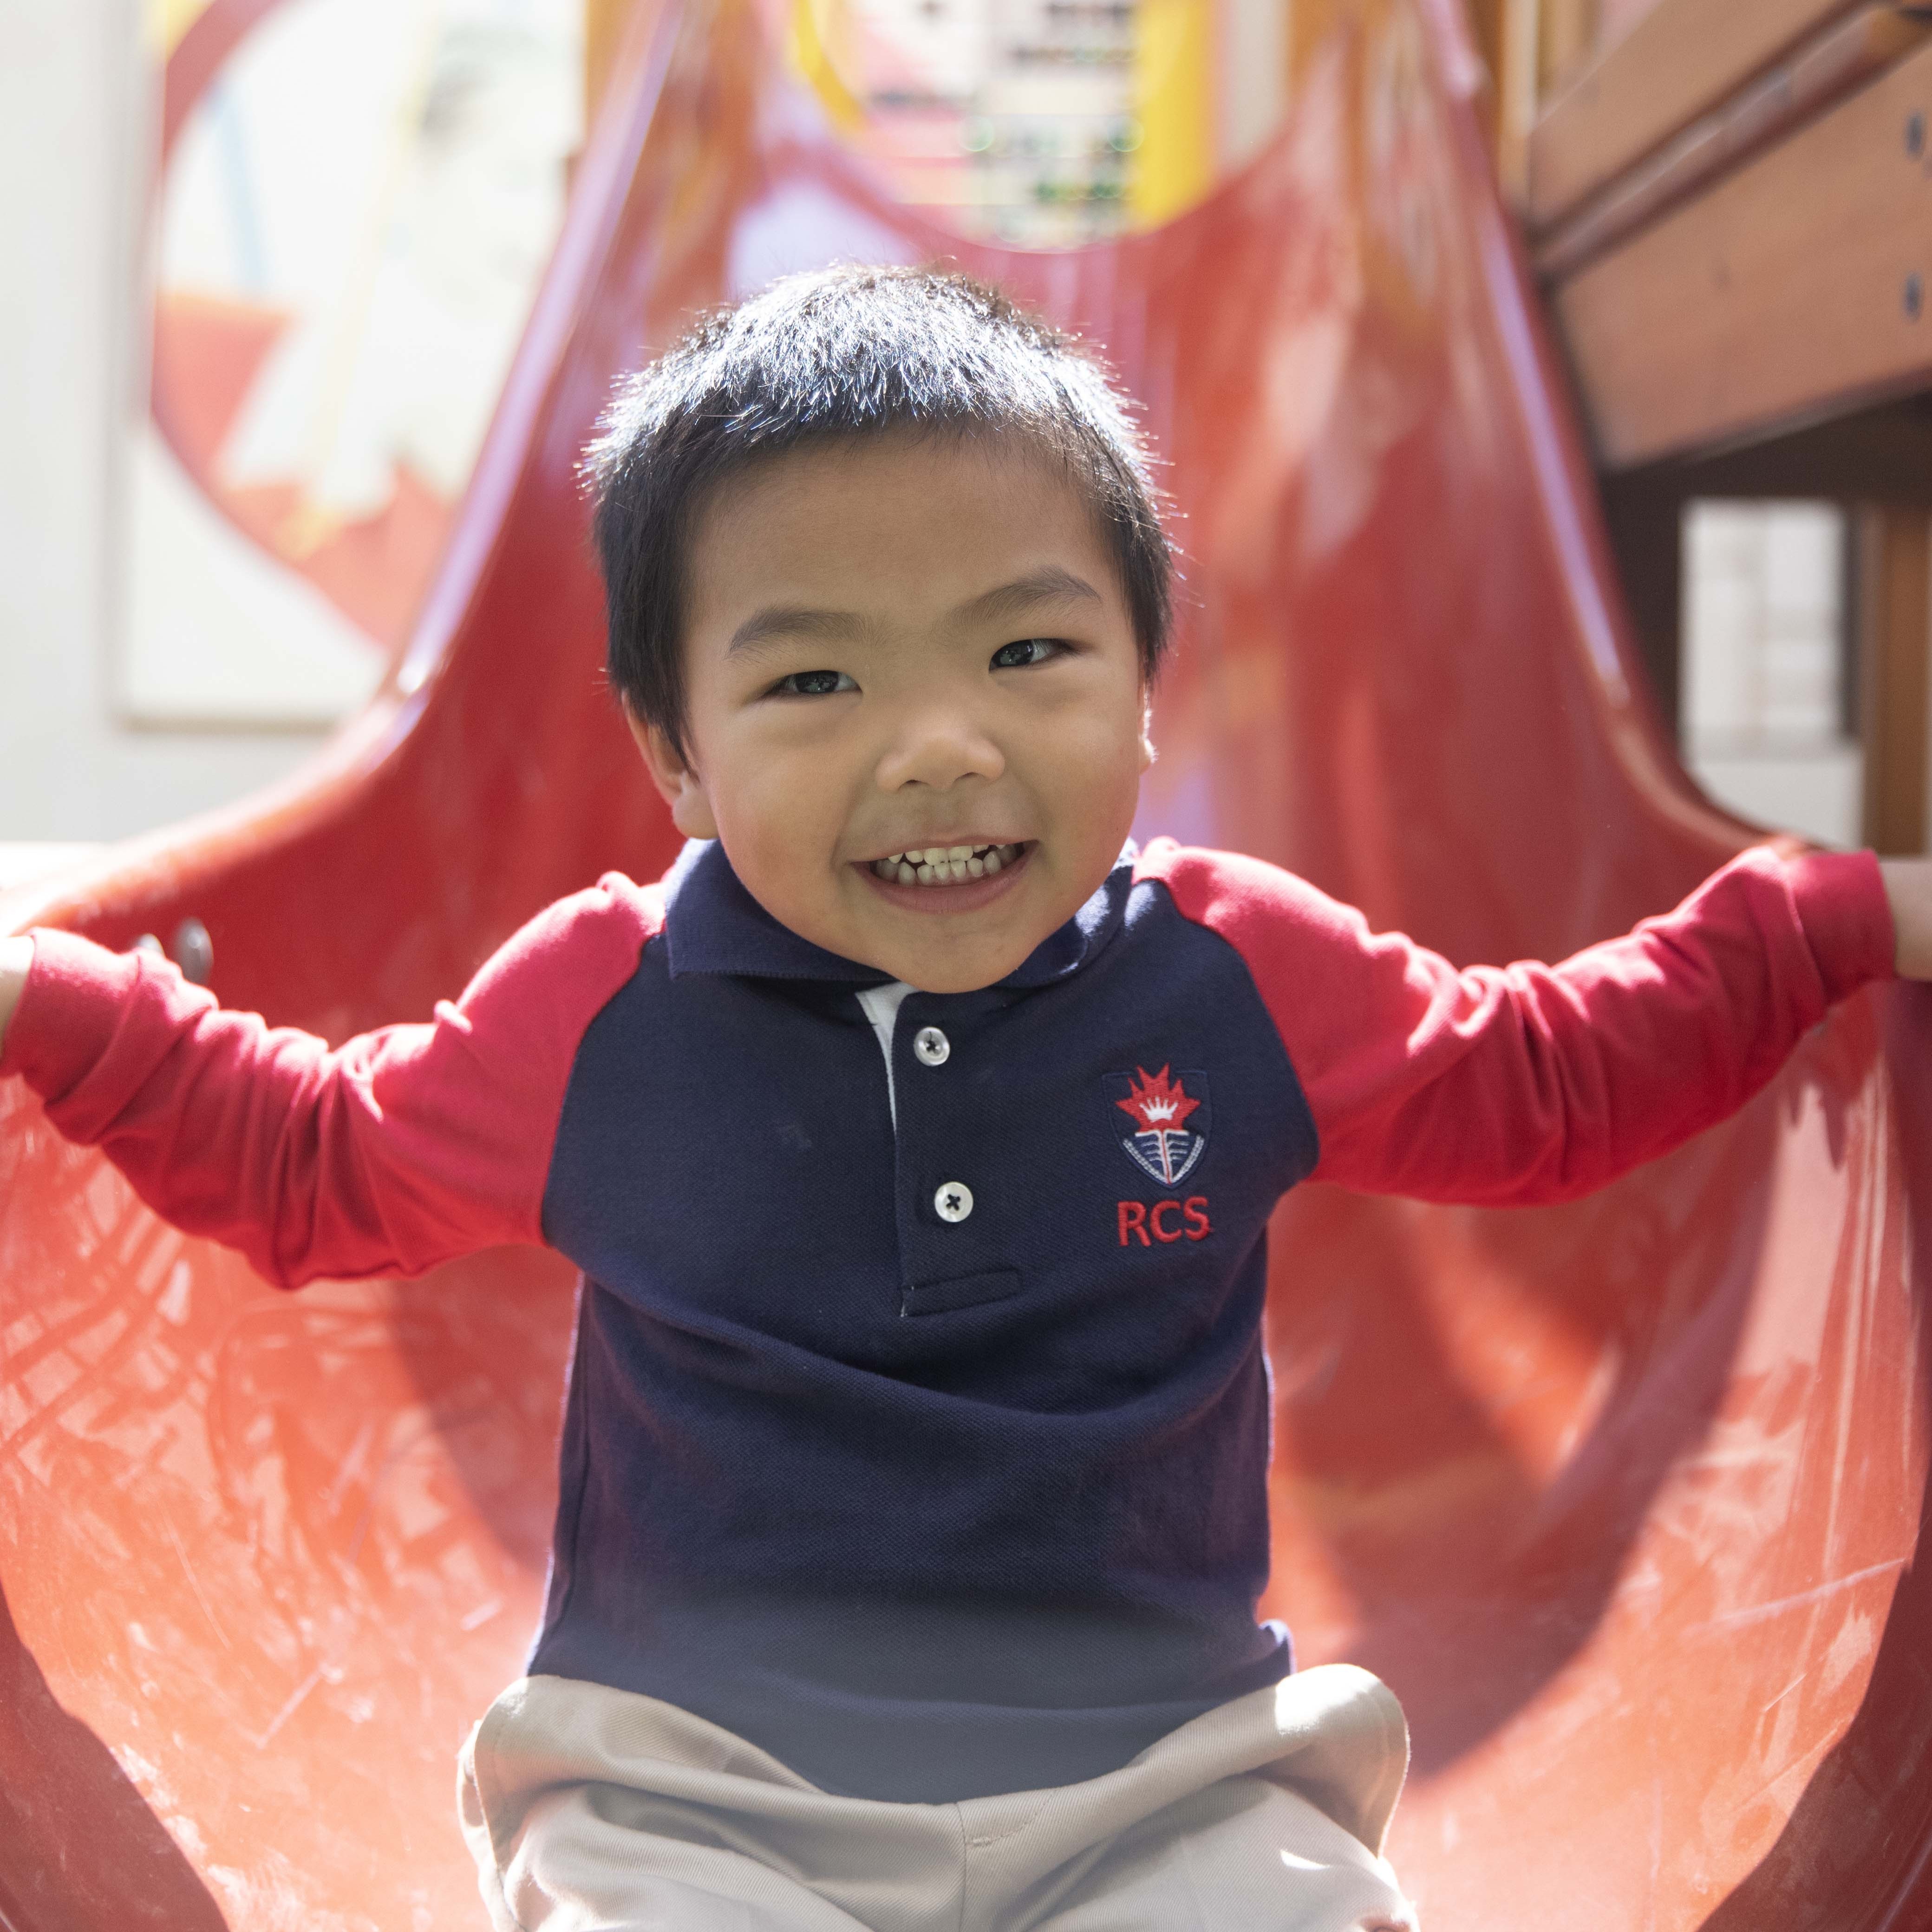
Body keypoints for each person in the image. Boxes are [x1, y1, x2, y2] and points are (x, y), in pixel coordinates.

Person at [1, 266, 1925, 1932]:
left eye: (1026, 650)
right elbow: (319, 1160)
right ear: (676, 756)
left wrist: (1821, 914)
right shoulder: (608, 1006)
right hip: (696, 1788)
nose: (940, 746)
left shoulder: (1230, 969)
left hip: (1159, 1777)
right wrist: (47, 992)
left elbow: (1537, 1084)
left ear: (1145, 690)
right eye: (815, 682)